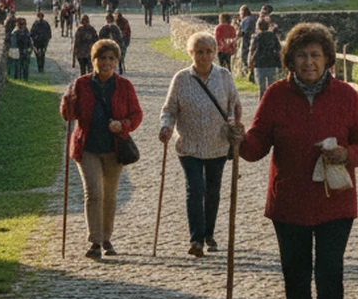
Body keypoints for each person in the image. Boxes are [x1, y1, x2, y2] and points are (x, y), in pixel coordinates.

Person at [240, 23, 358, 299]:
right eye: (302, 55)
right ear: (290, 59)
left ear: (327, 58)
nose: (309, 62)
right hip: (289, 203)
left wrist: (348, 154)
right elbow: (256, 145)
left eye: (315, 55)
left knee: (330, 277)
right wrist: (238, 140)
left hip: (336, 202)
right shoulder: (275, 95)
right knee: (295, 278)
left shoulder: (345, 95)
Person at [159, 32, 245, 256]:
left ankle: (209, 233)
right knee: (195, 189)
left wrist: (234, 122)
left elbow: (234, 104)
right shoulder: (181, 79)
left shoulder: (224, 76)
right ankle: (196, 239)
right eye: (199, 51)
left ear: (215, 53)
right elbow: (169, 110)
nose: (204, 56)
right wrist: (166, 126)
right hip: (189, 145)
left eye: (208, 51)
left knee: (213, 190)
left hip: (217, 144)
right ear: (191, 53)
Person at [60, 39, 142, 260]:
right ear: (93, 60)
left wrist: (123, 125)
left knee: (110, 196)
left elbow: (136, 115)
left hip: (114, 149)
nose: (106, 63)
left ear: (116, 61)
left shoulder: (124, 86)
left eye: (111, 59)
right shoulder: (81, 84)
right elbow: (69, 115)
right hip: (87, 147)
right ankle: (95, 241)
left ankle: (107, 238)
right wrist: (67, 101)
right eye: (101, 58)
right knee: (93, 193)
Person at [248, 16, 283, 94]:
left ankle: (262, 102)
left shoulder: (257, 37)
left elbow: (252, 50)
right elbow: (279, 48)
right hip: (271, 62)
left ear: (258, 27)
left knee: (262, 88)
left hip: (260, 63)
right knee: (272, 86)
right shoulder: (273, 36)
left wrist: (250, 62)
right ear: (268, 26)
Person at [237, 5, 256, 81]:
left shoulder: (246, 20)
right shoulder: (252, 19)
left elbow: (244, 32)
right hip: (253, 41)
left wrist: (238, 33)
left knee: (245, 58)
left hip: (246, 41)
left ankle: (249, 75)